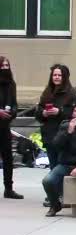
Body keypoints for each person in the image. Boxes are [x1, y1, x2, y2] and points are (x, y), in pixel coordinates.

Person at [35, 64, 76, 206]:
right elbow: (38, 111)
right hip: (49, 135)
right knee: (53, 166)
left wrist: (59, 112)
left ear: (64, 77)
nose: (56, 77)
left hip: (64, 136)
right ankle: (54, 195)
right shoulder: (47, 92)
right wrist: (43, 113)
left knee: (62, 166)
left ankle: (64, 196)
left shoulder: (71, 93)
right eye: (54, 75)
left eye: (59, 75)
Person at [0, 57, 22, 199]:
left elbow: (14, 103)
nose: (5, 68)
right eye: (2, 65)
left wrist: (12, 112)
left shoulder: (11, 84)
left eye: (7, 65)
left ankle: (9, 188)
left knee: (8, 158)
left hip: (4, 126)